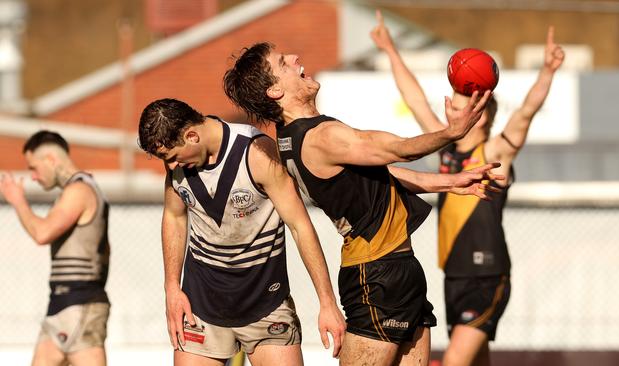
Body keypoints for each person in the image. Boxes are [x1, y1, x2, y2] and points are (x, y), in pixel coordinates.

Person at [223, 41, 503, 366]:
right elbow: (397, 149)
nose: (295, 57)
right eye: (283, 62)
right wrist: (451, 133)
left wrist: (448, 181)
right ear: (274, 91)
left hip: (398, 269)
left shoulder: (295, 136)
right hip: (376, 275)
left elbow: (381, 172)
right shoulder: (320, 137)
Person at [370, 10, 565, 366]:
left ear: (480, 114)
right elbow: (413, 98)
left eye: (458, 105)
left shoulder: (494, 153)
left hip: (486, 276)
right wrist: (390, 49)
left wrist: (548, 72)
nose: (449, 111)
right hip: (454, 276)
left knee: (454, 360)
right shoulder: (446, 150)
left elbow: (525, 113)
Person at [137, 98, 346, 366]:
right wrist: (171, 289)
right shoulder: (177, 163)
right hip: (201, 305)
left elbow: (300, 226)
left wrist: (327, 303)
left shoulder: (256, 152)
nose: (172, 166)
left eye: (173, 157)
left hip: (265, 302)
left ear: (191, 135)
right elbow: (175, 217)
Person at [0, 131, 111, 366]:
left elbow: (42, 234)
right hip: (62, 303)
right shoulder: (76, 191)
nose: (33, 177)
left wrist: (18, 200)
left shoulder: (79, 191)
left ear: (51, 160)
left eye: (34, 168)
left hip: (79, 303)